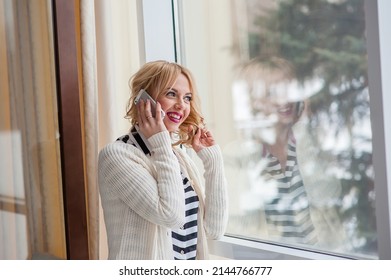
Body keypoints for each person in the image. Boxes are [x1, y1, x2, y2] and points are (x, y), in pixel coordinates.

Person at [98, 60, 228, 260]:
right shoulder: (116, 156)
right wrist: (160, 142)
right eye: (171, 94)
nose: (181, 105)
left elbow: (214, 229)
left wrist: (213, 161)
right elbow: (171, 216)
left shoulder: (178, 159)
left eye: (187, 98)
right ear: (144, 100)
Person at [225, 56, 346, 250]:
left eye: (288, 88)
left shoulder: (307, 144)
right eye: (273, 92)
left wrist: (303, 131)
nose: (285, 99)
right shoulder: (237, 155)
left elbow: (328, 195)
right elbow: (235, 223)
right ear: (255, 102)